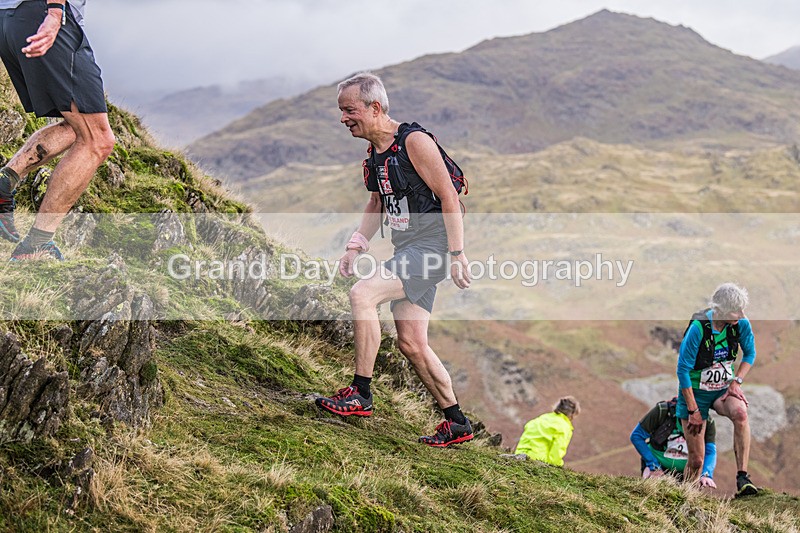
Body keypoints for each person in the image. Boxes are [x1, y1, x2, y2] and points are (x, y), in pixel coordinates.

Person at [315, 72, 473, 447]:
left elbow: (449, 197)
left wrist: (456, 254)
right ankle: (457, 423)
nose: (343, 118)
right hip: (408, 249)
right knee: (412, 343)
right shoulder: (375, 155)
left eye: (349, 110)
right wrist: (356, 245)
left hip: (432, 247)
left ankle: (361, 394)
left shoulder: (414, 142)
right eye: (340, 111)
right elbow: (376, 203)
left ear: (374, 107)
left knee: (362, 295)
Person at [0, 0, 115, 260]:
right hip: (45, 16)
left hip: (10, 19)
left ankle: (4, 185)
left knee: (79, 127)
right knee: (98, 140)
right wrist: (55, 12)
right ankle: (37, 245)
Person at [677, 282, 759, 496]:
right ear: (720, 309)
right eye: (736, 310)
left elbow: (750, 354)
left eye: (743, 310)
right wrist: (693, 411)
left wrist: (736, 382)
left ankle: (743, 478)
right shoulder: (699, 327)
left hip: (723, 389)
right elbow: (682, 370)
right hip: (695, 393)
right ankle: (684, 497)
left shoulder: (740, 324)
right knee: (696, 461)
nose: (741, 315)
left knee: (741, 412)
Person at [630, 397, 717, 488]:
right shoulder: (663, 411)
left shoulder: (707, 421)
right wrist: (653, 465)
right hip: (657, 467)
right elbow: (636, 436)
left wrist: (706, 474)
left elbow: (710, 451)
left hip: (688, 472)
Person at [513, 396, 580, 466]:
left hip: (519, 455)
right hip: (538, 461)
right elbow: (556, 454)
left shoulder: (542, 418)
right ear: (572, 414)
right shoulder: (564, 427)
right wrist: (559, 467)